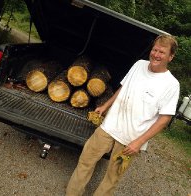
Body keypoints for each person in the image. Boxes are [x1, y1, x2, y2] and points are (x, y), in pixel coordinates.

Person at [65, 34, 180, 196]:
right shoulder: (139, 64)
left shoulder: (171, 85)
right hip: (109, 126)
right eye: (154, 50)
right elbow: (123, 88)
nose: (156, 54)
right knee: (85, 161)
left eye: (162, 52)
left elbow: (164, 119)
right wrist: (105, 105)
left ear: (171, 57)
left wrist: (138, 143)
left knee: (112, 178)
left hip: (130, 141)